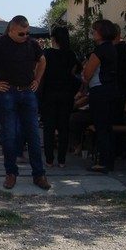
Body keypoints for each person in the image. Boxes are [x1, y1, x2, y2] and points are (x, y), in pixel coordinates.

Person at [0, 15, 50, 190]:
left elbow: (42, 60)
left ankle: (39, 174)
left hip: (27, 92)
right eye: (21, 34)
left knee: (33, 135)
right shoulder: (0, 45)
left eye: (27, 33)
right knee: (9, 135)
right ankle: (11, 173)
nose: (25, 37)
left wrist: (37, 80)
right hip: (8, 93)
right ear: (11, 31)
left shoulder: (31, 44)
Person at [82, 19, 121, 174]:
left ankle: (103, 162)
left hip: (99, 90)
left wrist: (85, 75)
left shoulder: (99, 51)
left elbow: (88, 73)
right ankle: (108, 160)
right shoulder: (112, 49)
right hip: (111, 90)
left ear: (101, 32)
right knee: (108, 127)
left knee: (101, 127)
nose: (93, 32)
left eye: (95, 30)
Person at [39, 26, 79, 168]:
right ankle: (62, 160)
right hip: (66, 94)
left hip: (49, 94)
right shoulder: (71, 55)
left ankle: (49, 159)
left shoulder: (46, 54)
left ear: (53, 39)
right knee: (63, 127)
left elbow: (40, 73)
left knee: (49, 128)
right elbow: (73, 74)